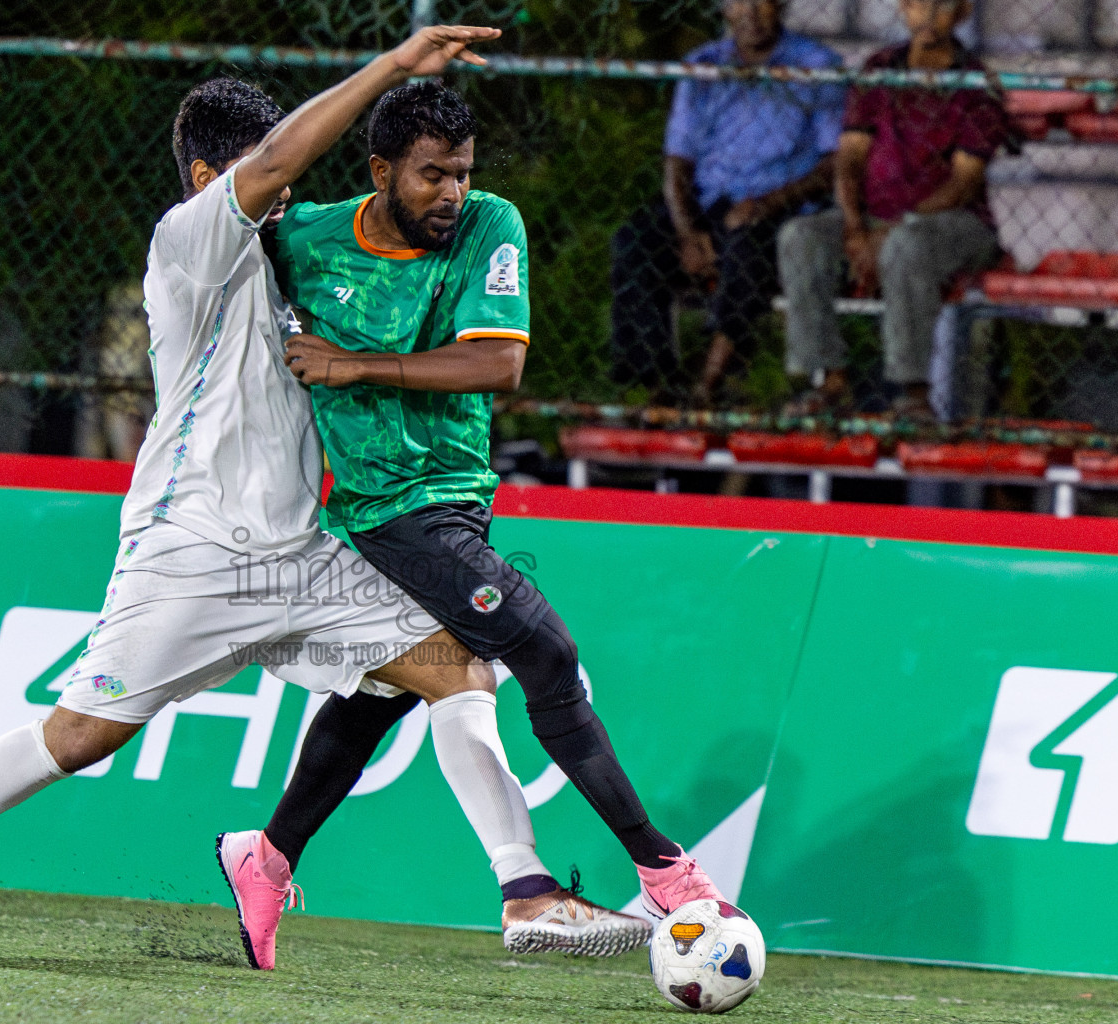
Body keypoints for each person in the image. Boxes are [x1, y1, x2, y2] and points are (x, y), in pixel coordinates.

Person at [0, 27, 648, 967]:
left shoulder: (291, 248)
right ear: (207, 171)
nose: (281, 183)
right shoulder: (191, 238)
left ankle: (526, 893)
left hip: (300, 552)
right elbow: (287, 156)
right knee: (80, 735)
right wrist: (398, 67)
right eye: (256, 165)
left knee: (460, 669)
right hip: (193, 551)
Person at [220, 79, 722, 970]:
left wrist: (352, 366)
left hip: (458, 500)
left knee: (386, 691)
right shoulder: (305, 240)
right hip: (386, 516)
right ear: (380, 172)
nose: (451, 192)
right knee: (546, 654)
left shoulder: (491, 223)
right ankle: (661, 871)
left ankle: (267, 855)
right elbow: (219, 249)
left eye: (460, 172)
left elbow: (496, 365)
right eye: (430, 176)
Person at [777, 0, 1007, 419]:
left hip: (954, 224)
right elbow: (849, 160)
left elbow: (964, 182)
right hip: (874, 216)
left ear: (963, 12)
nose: (928, 15)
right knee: (801, 237)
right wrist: (853, 228)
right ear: (903, 7)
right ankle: (829, 379)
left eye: (942, 5)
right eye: (918, 3)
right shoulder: (879, 68)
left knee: (905, 245)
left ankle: (913, 393)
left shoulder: (977, 83)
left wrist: (896, 227)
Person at [609, 0, 843, 404]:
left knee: (748, 247)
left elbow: (834, 161)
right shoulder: (703, 65)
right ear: (723, 8)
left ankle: (709, 383)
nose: (750, 11)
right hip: (710, 198)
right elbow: (677, 160)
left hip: (779, 202)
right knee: (634, 242)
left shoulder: (817, 64)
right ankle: (655, 387)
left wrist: (768, 203)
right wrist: (687, 231)